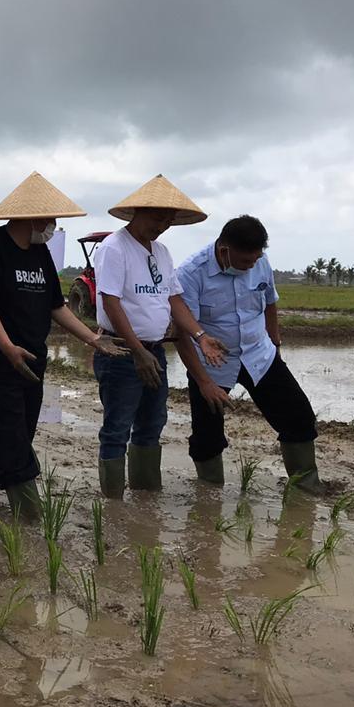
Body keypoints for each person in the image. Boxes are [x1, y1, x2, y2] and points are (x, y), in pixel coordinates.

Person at [0, 173, 126, 520]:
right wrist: (7, 347)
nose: (52, 226)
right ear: (31, 217)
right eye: (50, 219)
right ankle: (32, 521)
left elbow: (57, 306)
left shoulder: (40, 253)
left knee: (15, 437)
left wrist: (93, 338)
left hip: (32, 364)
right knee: (14, 448)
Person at [92, 175, 227, 498]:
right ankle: (113, 504)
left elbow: (174, 300)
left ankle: (145, 497)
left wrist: (199, 335)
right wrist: (138, 351)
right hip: (123, 353)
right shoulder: (114, 248)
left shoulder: (162, 252)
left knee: (152, 424)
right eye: (157, 217)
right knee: (117, 428)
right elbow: (110, 301)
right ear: (137, 211)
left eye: (168, 219)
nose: (163, 224)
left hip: (154, 351)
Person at [174, 215, 321, 491]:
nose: (250, 266)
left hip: (259, 356)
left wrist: (275, 344)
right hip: (213, 362)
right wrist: (204, 383)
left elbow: (270, 303)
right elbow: (182, 333)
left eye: (255, 259)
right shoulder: (191, 273)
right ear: (224, 251)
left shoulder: (259, 262)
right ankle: (209, 495)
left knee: (299, 417)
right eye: (244, 262)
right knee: (207, 438)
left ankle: (307, 489)